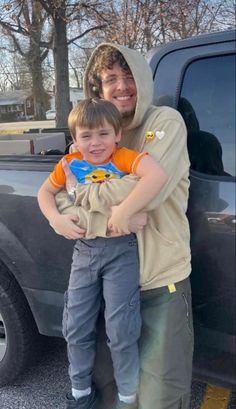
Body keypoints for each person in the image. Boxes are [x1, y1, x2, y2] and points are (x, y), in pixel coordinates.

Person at [55, 44, 194, 409]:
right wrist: (99, 209)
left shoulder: (164, 122)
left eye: (128, 75)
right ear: (97, 88)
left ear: (142, 79)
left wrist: (83, 193)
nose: (121, 86)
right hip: (108, 285)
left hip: (159, 281)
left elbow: (152, 188)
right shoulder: (95, 133)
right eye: (110, 78)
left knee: (159, 396)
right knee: (111, 391)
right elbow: (59, 196)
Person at [37, 97, 168, 409]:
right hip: (84, 253)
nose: (95, 143)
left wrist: (125, 212)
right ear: (74, 139)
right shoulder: (69, 164)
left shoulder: (124, 159)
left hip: (121, 253)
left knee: (122, 329)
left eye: (103, 134)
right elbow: (44, 193)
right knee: (76, 325)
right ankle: (80, 392)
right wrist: (55, 219)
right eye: (86, 136)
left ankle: (127, 397)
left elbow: (157, 176)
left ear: (117, 135)